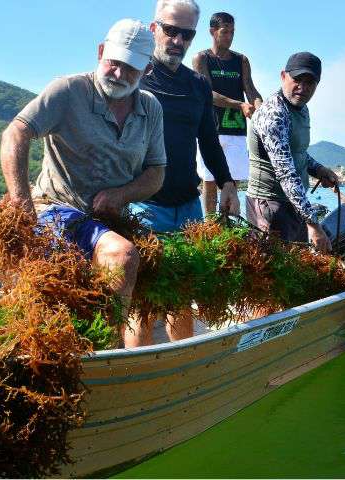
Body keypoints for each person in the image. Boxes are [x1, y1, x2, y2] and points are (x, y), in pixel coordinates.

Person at [0, 19, 166, 348]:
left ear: (146, 70)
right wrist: (21, 204)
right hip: (57, 210)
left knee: (158, 266)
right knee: (122, 255)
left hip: (109, 218)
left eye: (129, 69)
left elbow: (156, 173)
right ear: (101, 51)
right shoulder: (69, 91)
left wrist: (122, 194)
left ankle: (118, 346)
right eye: (113, 62)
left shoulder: (150, 108)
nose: (117, 74)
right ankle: (107, 349)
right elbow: (15, 132)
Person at [132, 0, 239, 343]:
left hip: (189, 207)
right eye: (170, 30)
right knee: (143, 302)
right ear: (154, 29)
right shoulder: (134, 79)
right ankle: (137, 377)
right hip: (143, 206)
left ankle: (181, 369)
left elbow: (208, 140)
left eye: (187, 34)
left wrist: (227, 183)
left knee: (181, 297)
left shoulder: (197, 85)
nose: (177, 40)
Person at [246, 52, 338, 252]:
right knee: (272, 273)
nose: (302, 88)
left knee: (297, 270)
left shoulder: (301, 108)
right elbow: (286, 172)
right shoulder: (274, 114)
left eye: (309, 83)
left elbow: (298, 152)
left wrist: (319, 169)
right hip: (269, 206)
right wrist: (313, 225)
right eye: (297, 80)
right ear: (283, 76)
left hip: (292, 203)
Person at [192, 12, 263, 214]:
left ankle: (227, 229)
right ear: (212, 32)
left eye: (232, 32)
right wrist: (239, 104)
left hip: (237, 131)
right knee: (210, 183)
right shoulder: (201, 58)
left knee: (232, 184)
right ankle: (210, 227)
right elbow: (208, 94)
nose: (230, 36)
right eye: (225, 32)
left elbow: (251, 90)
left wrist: (262, 108)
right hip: (210, 130)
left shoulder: (241, 60)